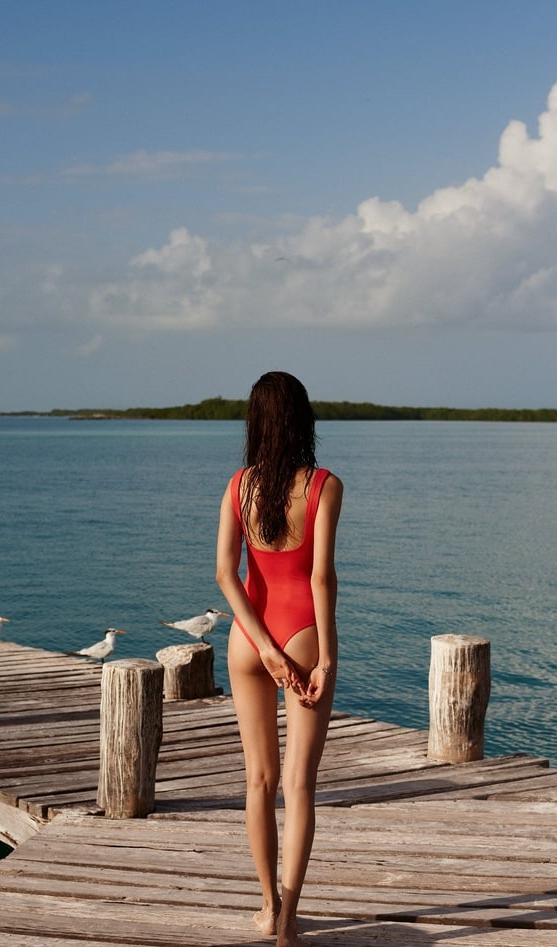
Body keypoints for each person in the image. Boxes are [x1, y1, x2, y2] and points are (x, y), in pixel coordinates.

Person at [216, 371, 343, 947]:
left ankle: (267, 908)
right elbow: (320, 577)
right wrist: (326, 659)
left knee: (258, 780)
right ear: (302, 419)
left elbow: (225, 574)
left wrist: (261, 646)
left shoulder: (238, 486)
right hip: (302, 635)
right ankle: (290, 922)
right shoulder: (323, 485)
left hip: (249, 639)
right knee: (301, 785)